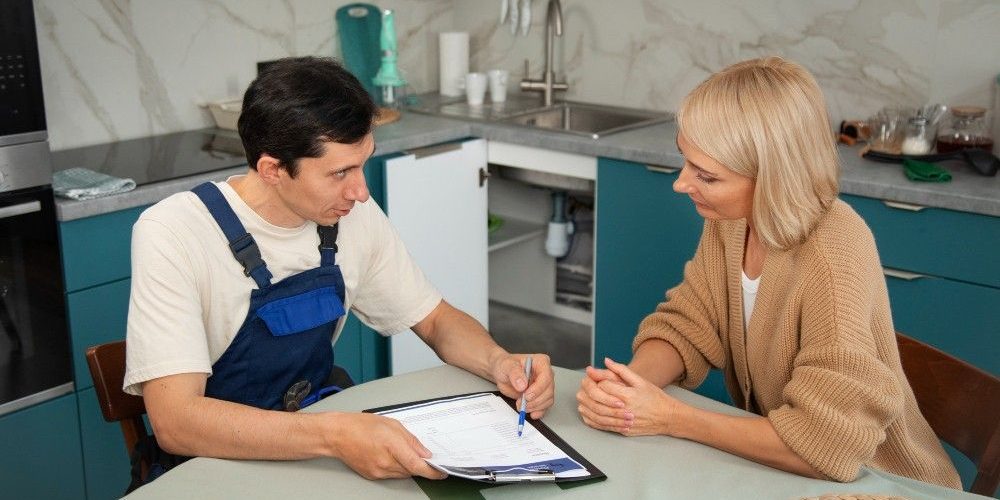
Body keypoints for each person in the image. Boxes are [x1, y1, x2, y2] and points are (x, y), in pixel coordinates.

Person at [123, 56, 553, 482]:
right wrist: (334, 434)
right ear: (272, 169)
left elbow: (436, 320)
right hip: (216, 465)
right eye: (340, 172)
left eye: (363, 163)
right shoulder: (174, 231)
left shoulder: (347, 214)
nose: (361, 191)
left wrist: (500, 363)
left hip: (317, 440)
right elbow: (176, 422)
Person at [575, 57, 961, 489]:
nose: (681, 184)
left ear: (774, 178)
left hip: (881, 485)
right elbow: (688, 323)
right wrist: (628, 390)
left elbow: (826, 444)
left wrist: (671, 418)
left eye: (707, 176)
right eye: (685, 161)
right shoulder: (730, 221)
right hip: (789, 473)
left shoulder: (834, 249)